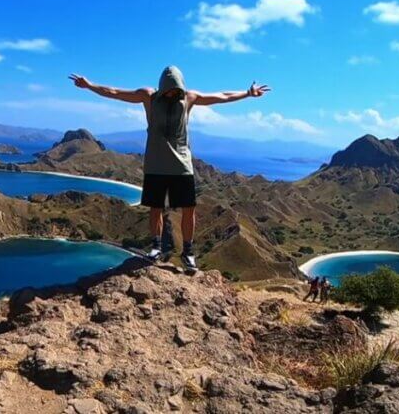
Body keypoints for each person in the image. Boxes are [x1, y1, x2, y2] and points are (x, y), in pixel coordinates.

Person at [70, 66, 270, 271]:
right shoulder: (148, 96)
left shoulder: (189, 98)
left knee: (188, 209)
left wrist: (247, 93)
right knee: (155, 208)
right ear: (162, 87)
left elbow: (221, 96)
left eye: (176, 90)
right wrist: (90, 86)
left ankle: (188, 252)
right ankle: (156, 247)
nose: (172, 94)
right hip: (156, 165)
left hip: (181, 165)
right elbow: (115, 93)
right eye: (169, 90)